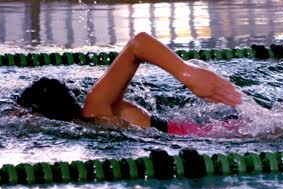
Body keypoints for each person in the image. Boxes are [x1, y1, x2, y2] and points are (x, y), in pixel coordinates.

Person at [17, 32, 242, 136]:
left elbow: (139, 43)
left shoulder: (94, 106)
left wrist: (187, 74)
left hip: (209, 135)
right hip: (202, 133)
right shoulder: (91, 120)